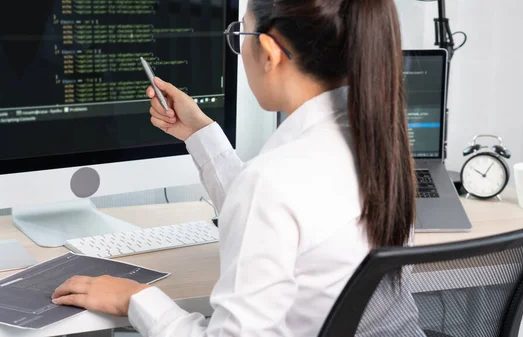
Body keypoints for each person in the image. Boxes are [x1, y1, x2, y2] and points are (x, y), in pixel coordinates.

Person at [51, 0, 419, 336]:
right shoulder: (380, 146)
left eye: (240, 34)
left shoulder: (274, 180)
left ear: (270, 52)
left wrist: (135, 301)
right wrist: (200, 133)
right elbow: (274, 222)